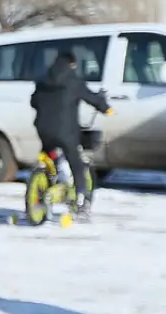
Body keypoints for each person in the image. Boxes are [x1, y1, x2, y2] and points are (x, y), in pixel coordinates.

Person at [30, 51, 111, 221]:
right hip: (66, 132)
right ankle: (81, 199)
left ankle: (46, 185)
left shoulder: (42, 79)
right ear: (72, 64)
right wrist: (106, 108)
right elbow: (91, 98)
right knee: (76, 164)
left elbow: (34, 101)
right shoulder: (73, 81)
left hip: (43, 129)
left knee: (49, 158)